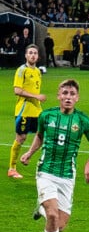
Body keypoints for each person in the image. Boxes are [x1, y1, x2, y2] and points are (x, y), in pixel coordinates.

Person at [19, 79, 89, 232]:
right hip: (46, 171)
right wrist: (29, 153)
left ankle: (40, 207)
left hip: (67, 176)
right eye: (64, 93)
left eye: (72, 94)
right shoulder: (46, 115)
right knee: (53, 216)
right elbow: (39, 136)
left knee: (60, 226)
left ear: (77, 98)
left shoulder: (83, 121)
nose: (68, 97)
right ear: (58, 96)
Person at [8, 44, 46, 180]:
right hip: (23, 110)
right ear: (26, 55)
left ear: (38, 56)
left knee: (41, 135)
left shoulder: (37, 72)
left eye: (35, 53)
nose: (33, 55)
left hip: (36, 110)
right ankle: (12, 168)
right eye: (30, 53)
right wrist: (36, 96)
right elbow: (17, 90)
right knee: (21, 138)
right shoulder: (21, 70)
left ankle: (28, 156)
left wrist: (38, 100)